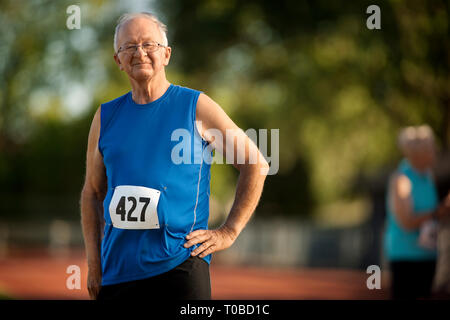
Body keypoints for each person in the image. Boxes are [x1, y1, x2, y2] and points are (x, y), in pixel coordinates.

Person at [80, 12, 269, 300]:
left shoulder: (196, 107)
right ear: (118, 60)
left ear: (166, 54)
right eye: (128, 46)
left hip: (179, 267)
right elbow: (92, 193)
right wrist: (94, 265)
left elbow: (255, 163)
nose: (139, 52)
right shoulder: (105, 117)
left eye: (149, 44)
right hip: (117, 271)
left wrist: (229, 231)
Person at [383, 125, 450, 300]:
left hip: (428, 254)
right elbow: (406, 222)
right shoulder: (402, 180)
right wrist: (438, 212)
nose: (435, 151)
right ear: (416, 153)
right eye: (430, 148)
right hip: (406, 257)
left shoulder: (428, 176)